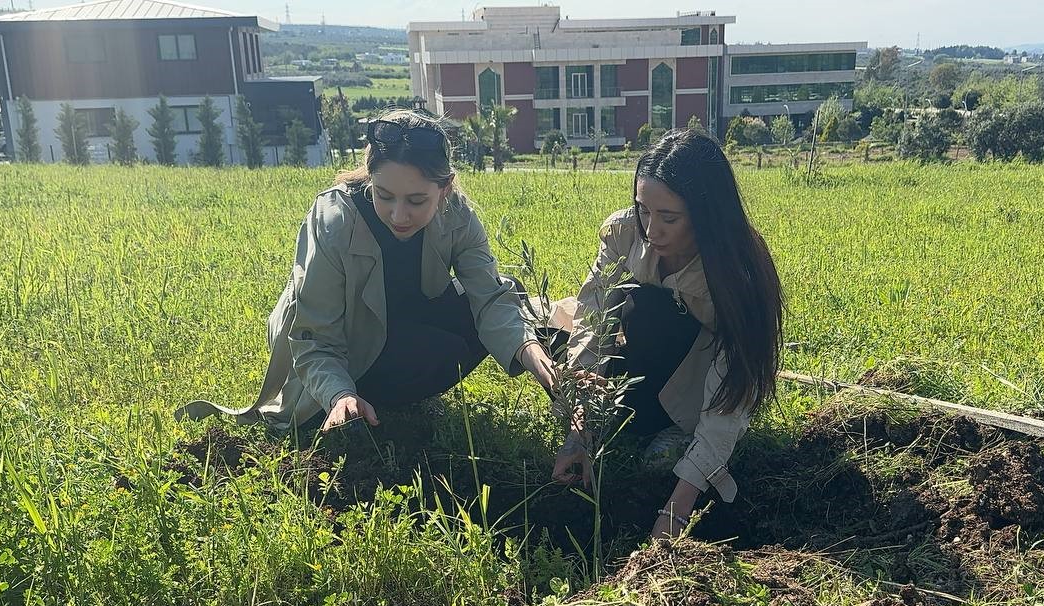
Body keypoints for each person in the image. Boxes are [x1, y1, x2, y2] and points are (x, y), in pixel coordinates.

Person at [177, 109, 556, 436]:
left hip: (402, 323)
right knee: (437, 352)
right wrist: (338, 394)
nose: (398, 215)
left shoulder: (457, 215)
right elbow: (312, 337)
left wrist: (528, 348)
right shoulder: (334, 219)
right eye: (385, 195)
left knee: (512, 294)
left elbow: (490, 298)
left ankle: (391, 392)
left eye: (416, 200)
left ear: (443, 190)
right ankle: (363, 400)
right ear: (369, 178)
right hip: (346, 345)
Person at [550, 128, 784, 539]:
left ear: (705, 215)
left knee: (656, 311)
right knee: (557, 333)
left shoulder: (737, 273)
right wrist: (579, 428)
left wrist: (678, 508)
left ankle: (678, 430)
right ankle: (622, 423)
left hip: (697, 385)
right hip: (638, 373)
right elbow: (593, 319)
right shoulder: (624, 232)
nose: (652, 229)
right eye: (644, 209)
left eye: (669, 218)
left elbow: (734, 386)